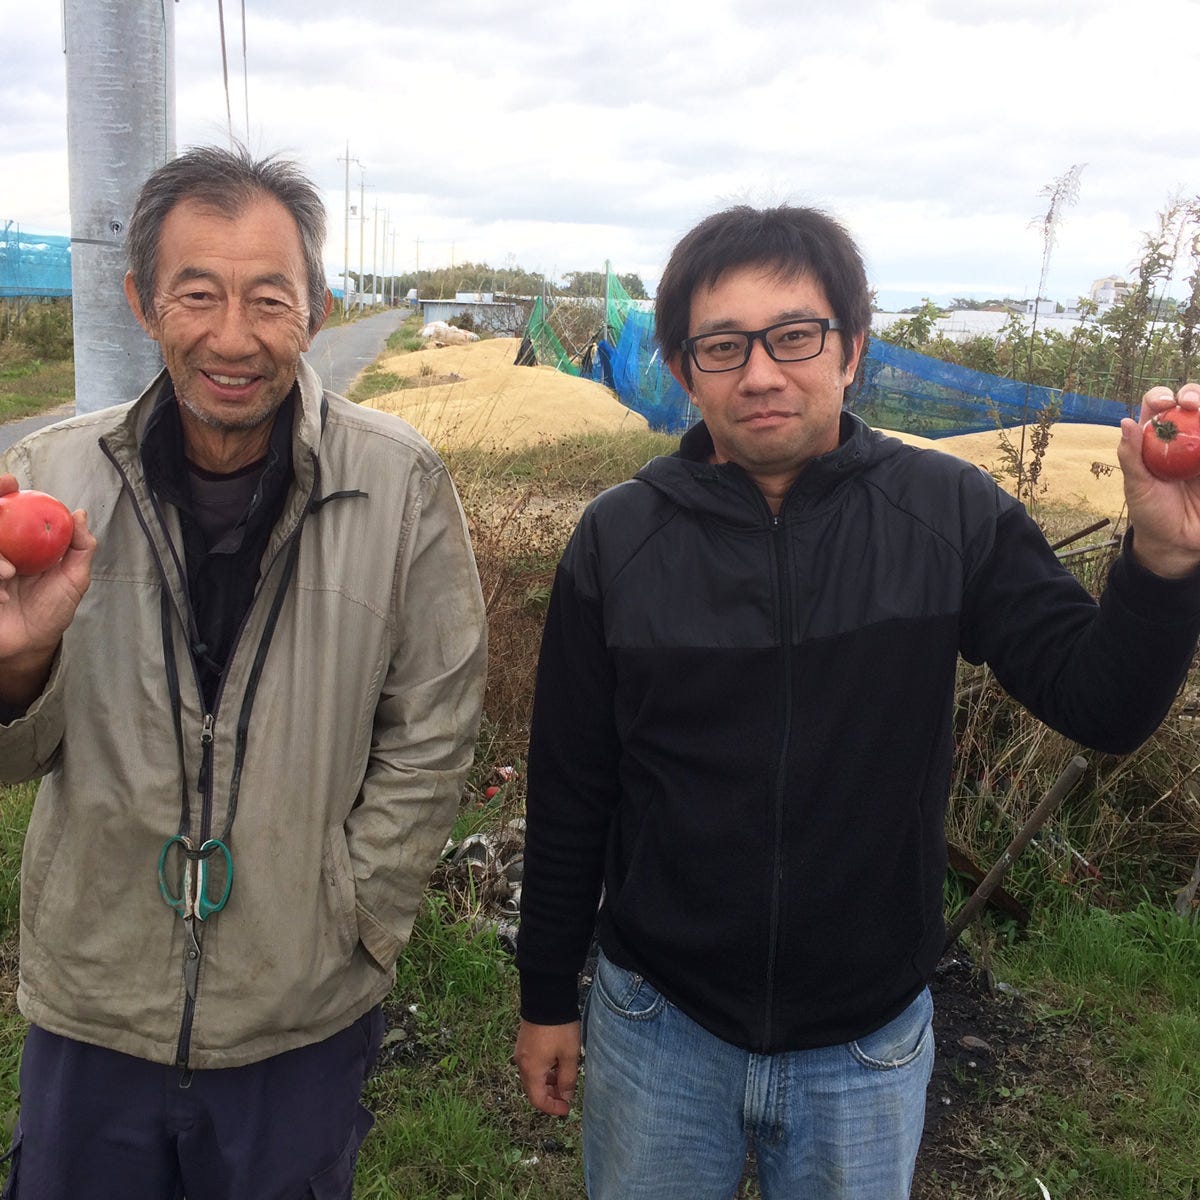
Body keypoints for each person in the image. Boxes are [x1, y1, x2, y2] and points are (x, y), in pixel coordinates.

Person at [512, 204, 1200, 1199]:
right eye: (722, 346)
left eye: (795, 336)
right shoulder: (618, 542)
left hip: (865, 1043)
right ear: (683, 372)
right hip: (661, 1023)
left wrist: (1165, 563)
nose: (761, 373)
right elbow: (571, 790)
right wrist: (546, 994)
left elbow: (1103, 704)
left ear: (854, 349)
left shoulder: (947, 515)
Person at [0, 146, 487, 1199]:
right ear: (142, 302)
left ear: (316, 311)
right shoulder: (53, 480)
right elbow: (16, 754)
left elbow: (435, 725)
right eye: (197, 295)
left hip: (297, 1012)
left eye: (269, 299)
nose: (233, 336)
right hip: (96, 1003)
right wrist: (22, 657)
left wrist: (354, 914)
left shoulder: (396, 483)